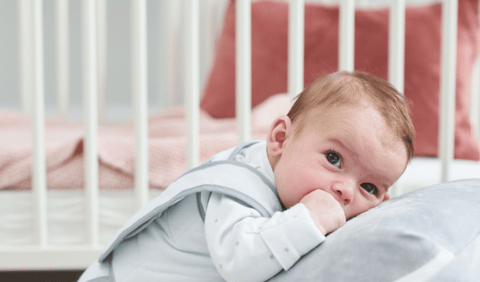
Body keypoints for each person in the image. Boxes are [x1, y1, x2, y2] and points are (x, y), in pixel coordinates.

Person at [78, 71, 415, 282]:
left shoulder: (287, 178)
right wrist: (309, 219)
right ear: (281, 139)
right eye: (333, 158)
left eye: (368, 187)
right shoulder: (236, 188)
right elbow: (241, 264)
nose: (344, 191)